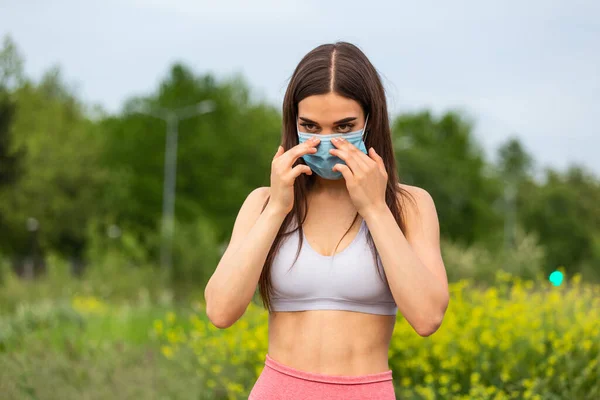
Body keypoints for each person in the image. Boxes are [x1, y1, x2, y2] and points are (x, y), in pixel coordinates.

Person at [204, 42, 449, 400]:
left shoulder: (408, 205)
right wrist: (277, 209)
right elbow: (220, 311)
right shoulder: (263, 203)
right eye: (311, 126)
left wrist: (375, 209)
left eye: (344, 126)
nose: (325, 141)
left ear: (370, 122)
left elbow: (428, 318)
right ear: (294, 124)